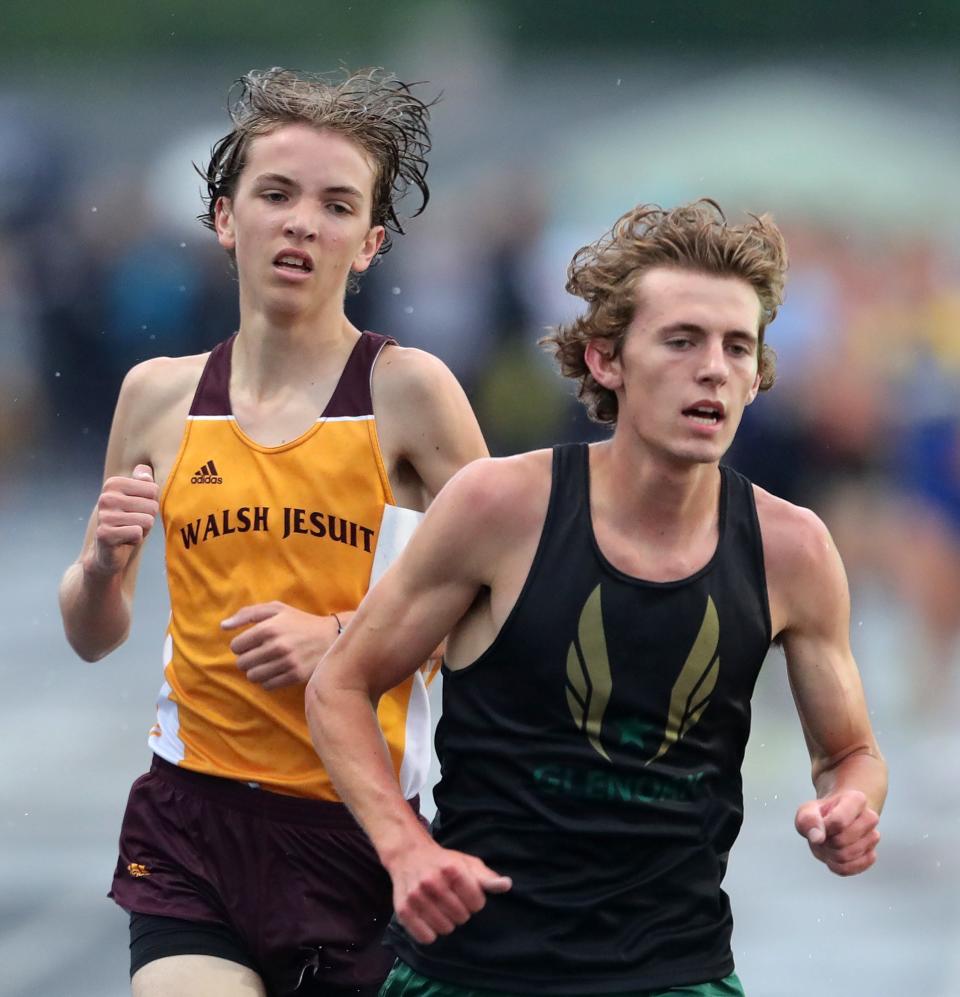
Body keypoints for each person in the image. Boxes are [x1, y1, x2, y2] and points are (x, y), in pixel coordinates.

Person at [306, 199, 888, 997]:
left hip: (676, 975)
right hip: (472, 971)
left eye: (736, 347)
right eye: (681, 340)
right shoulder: (498, 507)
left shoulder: (794, 550)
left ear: (757, 376)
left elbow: (849, 754)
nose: (712, 367)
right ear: (606, 360)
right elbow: (339, 684)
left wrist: (850, 808)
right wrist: (405, 849)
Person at [58, 67, 488, 997]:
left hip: (358, 831)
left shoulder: (409, 394)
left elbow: (510, 604)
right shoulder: (158, 396)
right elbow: (95, 633)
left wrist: (341, 643)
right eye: (277, 194)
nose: (301, 222)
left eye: (336, 206)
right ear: (224, 217)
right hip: (191, 819)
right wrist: (99, 564)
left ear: (370, 243)